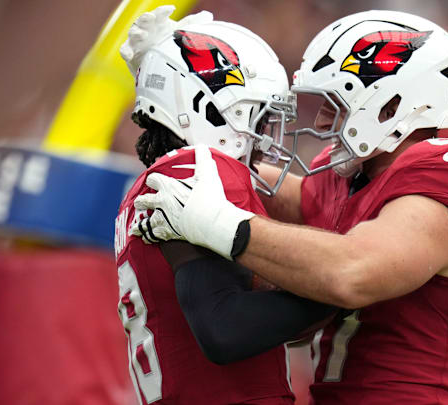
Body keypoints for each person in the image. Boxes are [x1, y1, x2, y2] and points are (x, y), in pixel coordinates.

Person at [132, 10, 448, 405]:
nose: (324, 120)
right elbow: (256, 182)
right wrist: (174, 96)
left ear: (391, 104)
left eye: (338, 104)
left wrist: (220, 224)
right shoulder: (344, 180)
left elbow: (352, 272)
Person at [113, 7, 336, 404]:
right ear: (210, 108)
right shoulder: (199, 167)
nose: (267, 138)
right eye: (260, 119)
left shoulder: (152, 184)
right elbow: (225, 330)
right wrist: (342, 287)